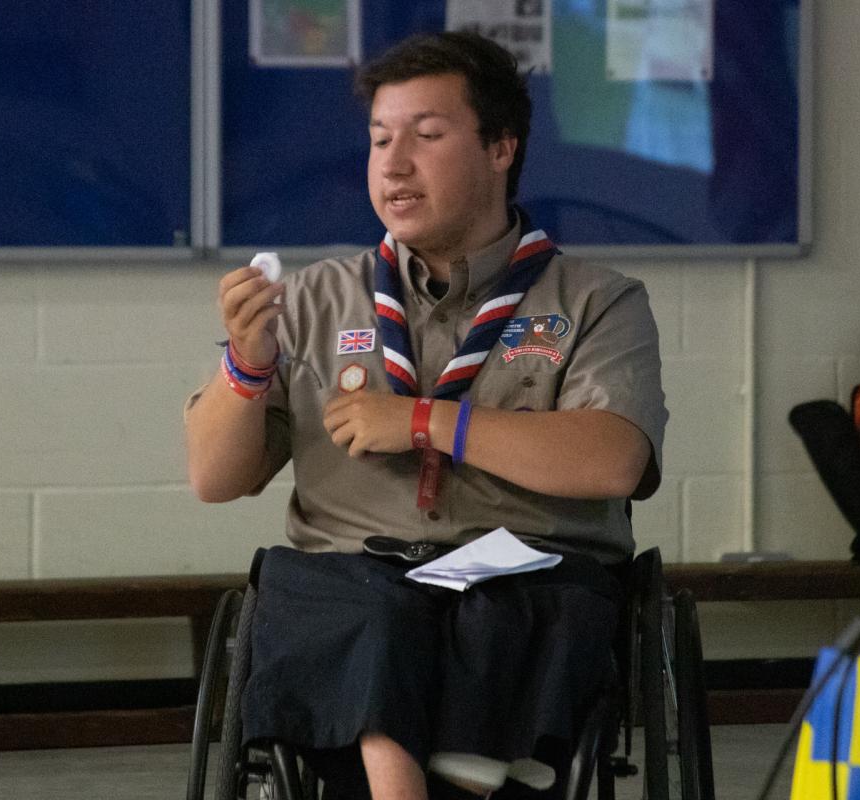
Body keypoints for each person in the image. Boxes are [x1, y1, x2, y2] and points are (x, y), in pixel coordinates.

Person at [185, 31, 667, 800]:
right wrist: (245, 365)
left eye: (427, 135)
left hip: (527, 584)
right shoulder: (311, 300)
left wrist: (425, 422)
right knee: (353, 607)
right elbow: (215, 478)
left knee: (517, 612)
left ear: (501, 147)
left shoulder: (595, 301)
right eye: (381, 139)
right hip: (352, 579)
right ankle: (416, 774)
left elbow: (613, 461)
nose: (394, 163)